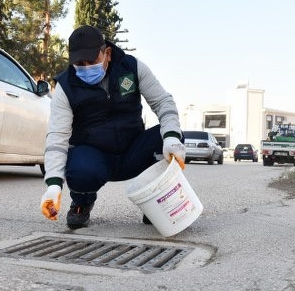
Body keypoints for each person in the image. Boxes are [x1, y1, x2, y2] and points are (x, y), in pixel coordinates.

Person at [40, 25, 186, 229]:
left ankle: (157, 202)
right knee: (80, 168)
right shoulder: (66, 87)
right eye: (79, 64)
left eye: (92, 61)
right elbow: (57, 136)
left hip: (132, 150)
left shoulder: (132, 68)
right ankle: (82, 202)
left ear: (107, 53)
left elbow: (163, 101)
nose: (85, 68)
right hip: (94, 157)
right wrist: (53, 184)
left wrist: (171, 137)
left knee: (172, 138)